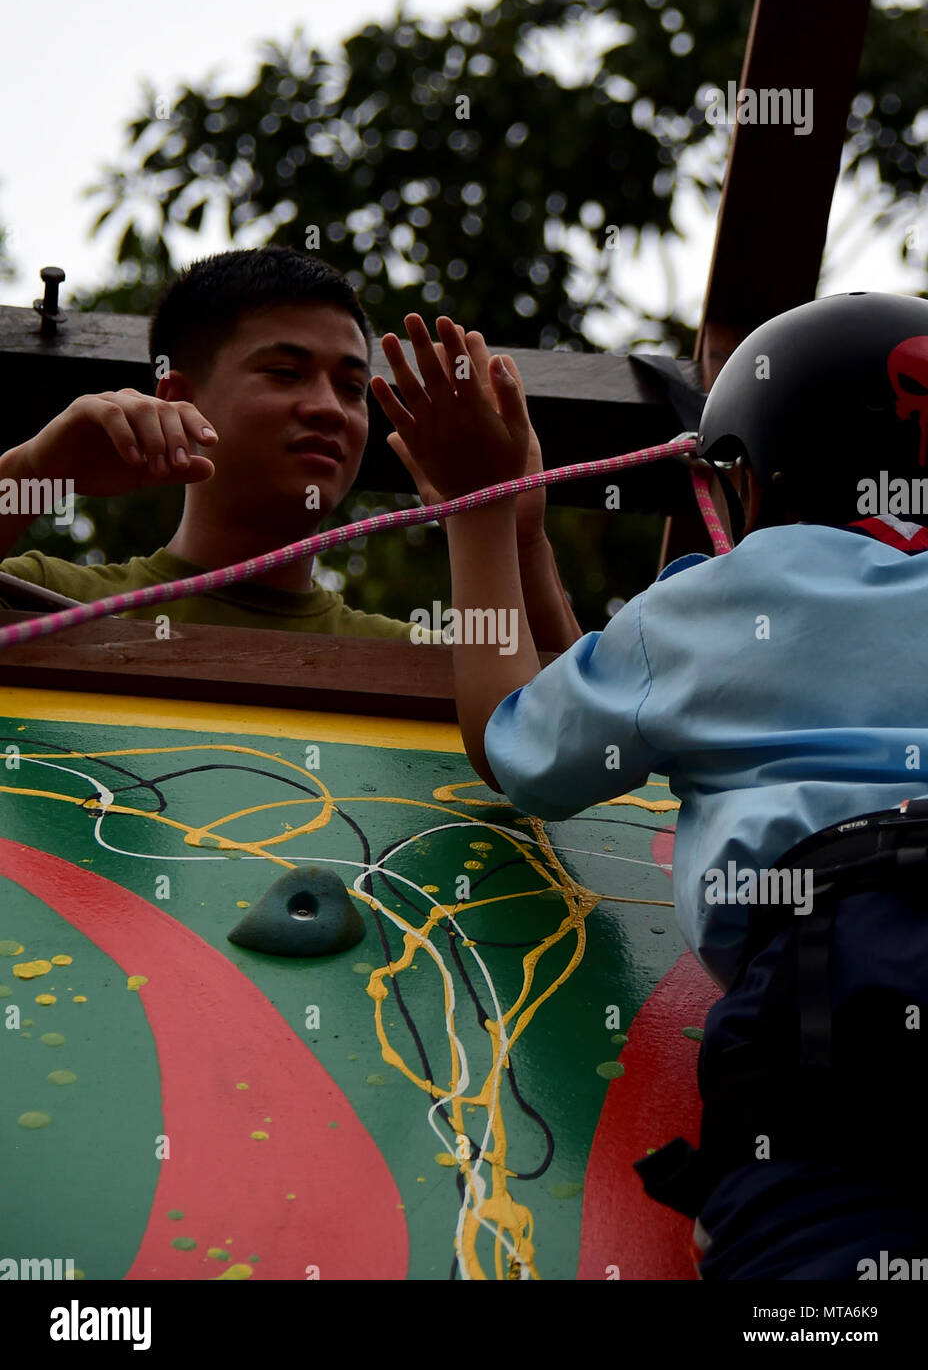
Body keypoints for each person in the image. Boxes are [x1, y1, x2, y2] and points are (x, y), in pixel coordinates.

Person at [372, 294, 928, 1280]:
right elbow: (584, 692)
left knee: (824, 1246)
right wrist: (536, 543)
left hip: (853, 974)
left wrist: (480, 513)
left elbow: (518, 740)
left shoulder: (728, 597)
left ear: (758, 478)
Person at [0, 247, 578, 649]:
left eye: (352, 388)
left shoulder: (414, 655)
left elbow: (572, 739)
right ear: (179, 398)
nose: (330, 407)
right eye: (284, 372)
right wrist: (30, 471)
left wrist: (520, 537)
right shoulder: (45, 598)